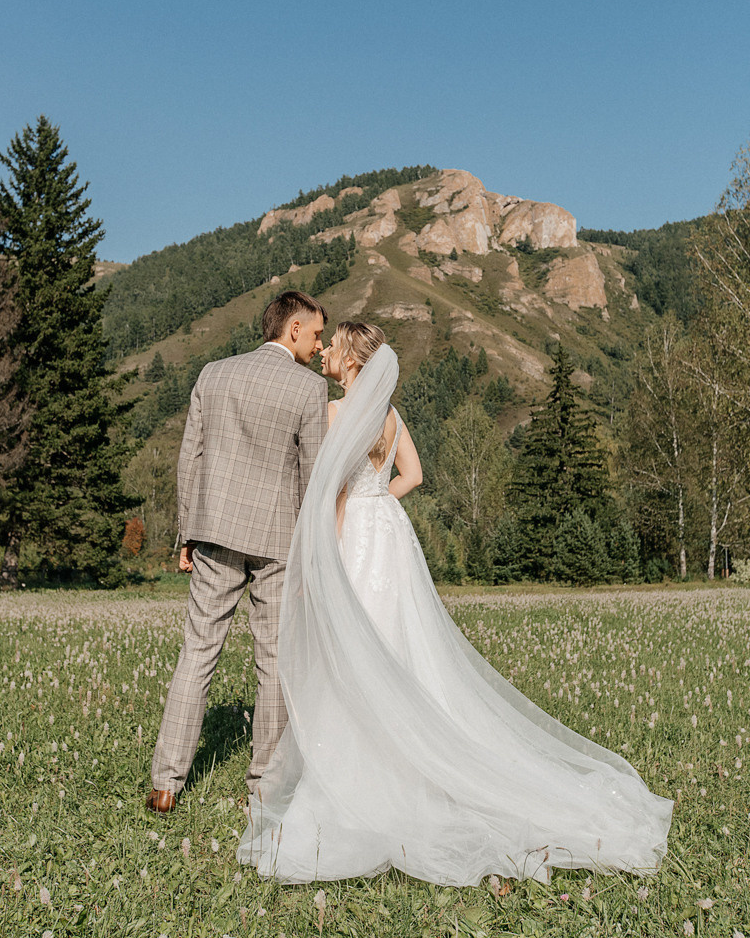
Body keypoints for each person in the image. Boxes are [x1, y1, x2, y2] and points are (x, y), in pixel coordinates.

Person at [237, 322, 673, 885]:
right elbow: (413, 475)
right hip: (392, 538)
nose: (324, 353)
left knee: (351, 658)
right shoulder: (391, 417)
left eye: (333, 346)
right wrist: (379, 502)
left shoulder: (335, 413)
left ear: (350, 360)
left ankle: (357, 781)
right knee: (402, 647)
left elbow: (336, 495)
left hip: (358, 539)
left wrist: (327, 553)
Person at [145, 291, 328, 814]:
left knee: (197, 653)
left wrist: (187, 533)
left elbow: (191, 458)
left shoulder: (214, 373)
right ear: (292, 328)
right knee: (272, 661)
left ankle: (166, 783)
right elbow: (312, 477)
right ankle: (263, 788)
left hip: (216, 530)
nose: (319, 347)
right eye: (315, 334)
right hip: (278, 539)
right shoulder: (309, 390)